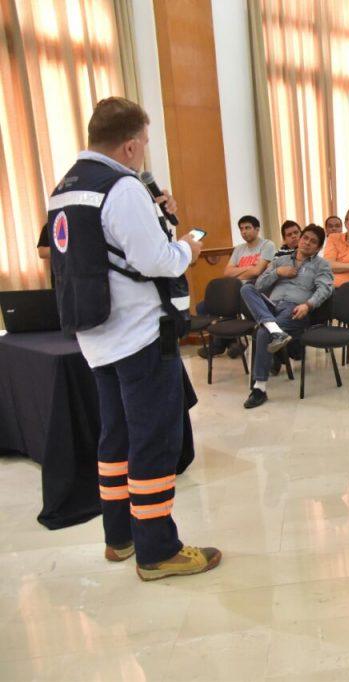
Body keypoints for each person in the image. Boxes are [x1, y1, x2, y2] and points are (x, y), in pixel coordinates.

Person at [46, 97, 218, 580]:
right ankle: (157, 550)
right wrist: (188, 247)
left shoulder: (66, 188)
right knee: (154, 440)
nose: (144, 150)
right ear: (128, 145)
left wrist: (158, 215)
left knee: (116, 436)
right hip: (140, 334)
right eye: (144, 141)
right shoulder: (122, 188)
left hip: (97, 333)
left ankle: (119, 537)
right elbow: (155, 260)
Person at [240, 225, 333, 408]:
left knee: (263, 332)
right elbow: (259, 285)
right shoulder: (280, 261)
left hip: (295, 310)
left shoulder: (321, 265)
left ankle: (259, 389)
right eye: (305, 238)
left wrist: (308, 305)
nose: (307, 243)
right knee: (247, 288)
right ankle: (274, 329)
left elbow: (325, 289)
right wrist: (278, 272)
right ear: (300, 239)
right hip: (272, 306)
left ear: (318, 247)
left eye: (313, 241)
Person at [197, 214, 276, 359]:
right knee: (202, 306)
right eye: (241, 229)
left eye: (247, 228)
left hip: (254, 290)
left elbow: (257, 272)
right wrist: (249, 268)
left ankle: (223, 344)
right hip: (234, 289)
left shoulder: (267, 245)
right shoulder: (239, 249)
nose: (244, 232)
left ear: (257, 229)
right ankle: (231, 342)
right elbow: (227, 272)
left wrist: (238, 272)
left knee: (230, 305)